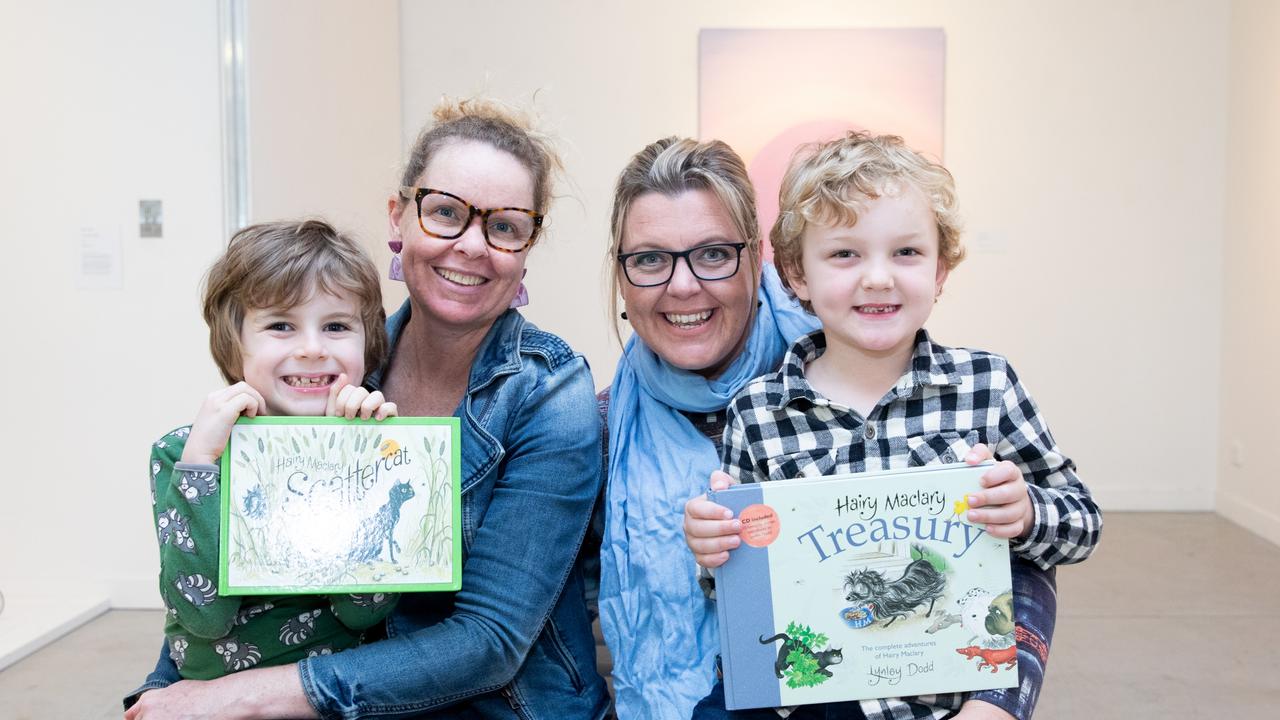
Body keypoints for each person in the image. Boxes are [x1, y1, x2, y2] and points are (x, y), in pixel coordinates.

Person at [126, 99, 610, 719]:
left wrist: (238, 699)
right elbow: (228, 574)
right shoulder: (333, 363)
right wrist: (163, 689)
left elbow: (491, 643)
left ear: (526, 246)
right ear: (399, 217)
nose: (470, 244)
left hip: (501, 706)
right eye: (444, 212)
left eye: (505, 226)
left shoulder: (548, 392)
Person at [598, 137, 1058, 720]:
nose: (876, 279)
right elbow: (736, 587)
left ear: (756, 260)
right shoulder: (725, 417)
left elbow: (1043, 551)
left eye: (713, 253)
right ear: (797, 271)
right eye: (650, 258)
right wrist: (717, 554)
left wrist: (1000, 701)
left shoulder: (977, 389)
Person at [150, 219, 399, 681]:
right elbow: (203, 616)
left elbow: (363, 611)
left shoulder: (375, 443)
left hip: (336, 694)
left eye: (337, 325)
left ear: (368, 343)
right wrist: (201, 465)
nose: (310, 348)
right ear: (235, 342)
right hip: (209, 695)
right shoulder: (181, 452)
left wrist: (351, 457)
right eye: (281, 324)